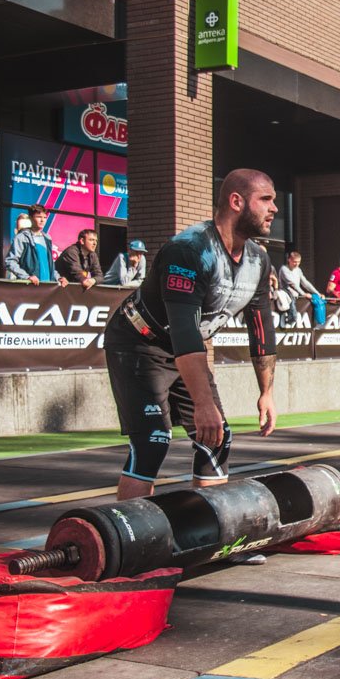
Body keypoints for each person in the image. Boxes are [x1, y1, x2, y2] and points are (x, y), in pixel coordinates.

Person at [102, 168, 279, 524]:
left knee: (217, 437)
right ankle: (129, 537)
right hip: (139, 344)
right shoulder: (188, 250)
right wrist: (202, 404)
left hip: (185, 349)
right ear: (236, 201)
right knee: (152, 441)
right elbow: (184, 332)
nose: (274, 209)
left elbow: (261, 329)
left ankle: (209, 533)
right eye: (266, 200)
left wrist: (267, 393)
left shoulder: (259, 260)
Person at [5, 204, 67, 286]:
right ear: (30, 218)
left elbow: (49, 266)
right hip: (30, 289)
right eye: (39, 217)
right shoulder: (22, 237)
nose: (42, 220)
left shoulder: (47, 238)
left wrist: (58, 278)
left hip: (48, 288)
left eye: (45, 217)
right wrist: (27, 277)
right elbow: (10, 261)